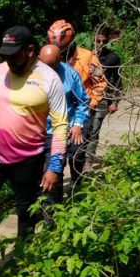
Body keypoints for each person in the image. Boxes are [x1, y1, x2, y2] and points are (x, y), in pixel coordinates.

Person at [0, 26, 68, 268]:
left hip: (28, 158)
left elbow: (60, 124)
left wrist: (54, 166)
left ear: (30, 50)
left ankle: (24, 258)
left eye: (14, 55)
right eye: (5, 55)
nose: (9, 60)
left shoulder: (49, 78)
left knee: (26, 210)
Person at [46, 20, 107, 188]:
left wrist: (91, 103)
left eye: (62, 51)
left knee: (76, 153)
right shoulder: (47, 56)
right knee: (56, 155)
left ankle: (76, 184)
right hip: (56, 113)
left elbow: (101, 82)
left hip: (81, 110)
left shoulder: (87, 57)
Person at [37, 43, 89, 204]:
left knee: (55, 170)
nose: (47, 69)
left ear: (60, 59)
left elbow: (82, 101)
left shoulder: (70, 74)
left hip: (61, 129)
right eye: (43, 64)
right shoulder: (30, 74)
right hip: (37, 130)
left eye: (51, 65)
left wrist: (78, 124)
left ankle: (53, 211)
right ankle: (39, 207)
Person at [82, 27, 122, 165]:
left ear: (108, 41)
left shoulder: (113, 58)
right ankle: (79, 156)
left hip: (103, 98)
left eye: (104, 41)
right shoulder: (86, 56)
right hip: (85, 98)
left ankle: (88, 160)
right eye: (98, 41)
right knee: (83, 128)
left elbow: (117, 81)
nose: (100, 44)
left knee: (94, 129)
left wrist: (115, 101)